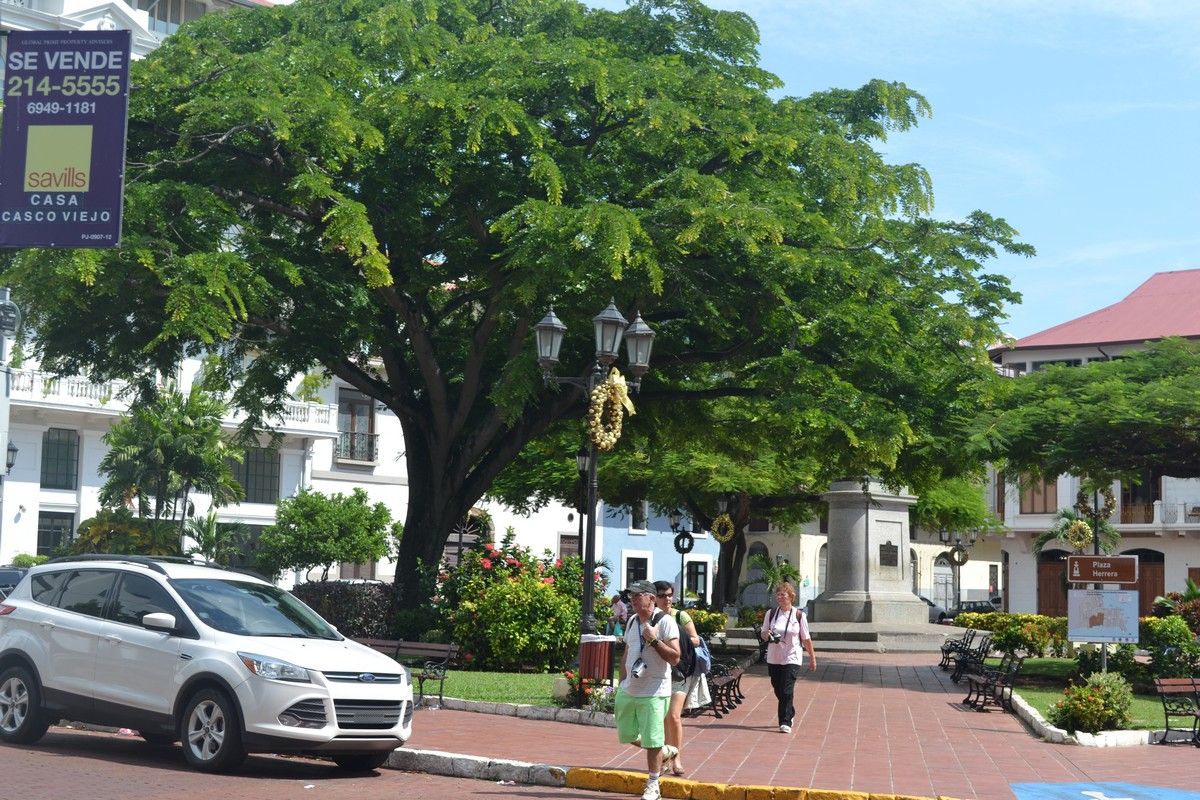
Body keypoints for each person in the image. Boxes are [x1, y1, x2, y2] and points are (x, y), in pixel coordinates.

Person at [615, 579, 681, 800]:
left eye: (637, 595)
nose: (632, 600)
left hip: (654, 690)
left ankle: (653, 784)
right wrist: (621, 681)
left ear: (652, 598)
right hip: (629, 689)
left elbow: (675, 657)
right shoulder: (633, 620)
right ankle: (665, 752)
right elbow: (628, 652)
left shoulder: (665, 622)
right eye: (631, 596)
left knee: (651, 740)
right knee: (627, 734)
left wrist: (653, 641)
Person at [653, 580, 700, 777]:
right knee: (662, 717)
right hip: (659, 673)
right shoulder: (652, 618)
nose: (668, 599)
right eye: (663, 595)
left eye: (670, 594)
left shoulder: (680, 616)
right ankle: (664, 757)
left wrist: (676, 639)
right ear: (654, 598)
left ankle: (676, 757)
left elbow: (697, 640)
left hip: (680, 672)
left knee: (674, 716)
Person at [759, 581, 816, 733]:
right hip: (774, 657)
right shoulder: (771, 614)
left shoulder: (799, 615)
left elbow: (806, 638)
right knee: (778, 688)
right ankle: (789, 710)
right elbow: (763, 633)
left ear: (791, 596)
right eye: (778, 594)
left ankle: (785, 722)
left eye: (783, 594)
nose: (780, 597)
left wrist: (812, 657)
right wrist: (767, 634)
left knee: (786, 688)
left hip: (792, 656)